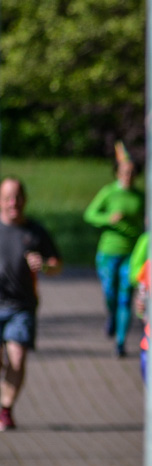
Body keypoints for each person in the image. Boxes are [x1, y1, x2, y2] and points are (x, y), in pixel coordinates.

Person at [0, 178, 62, 431]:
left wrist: (45, 265)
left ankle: (5, 410)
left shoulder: (35, 232)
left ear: (24, 200)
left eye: (17, 197)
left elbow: (57, 265)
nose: (13, 203)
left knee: (17, 359)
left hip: (21, 306)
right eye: (8, 198)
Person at [83, 142, 145, 357]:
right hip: (108, 253)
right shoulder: (108, 193)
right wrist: (108, 219)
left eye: (132, 172)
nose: (128, 176)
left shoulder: (140, 197)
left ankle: (120, 342)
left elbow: (148, 222)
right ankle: (111, 316)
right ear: (117, 173)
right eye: (125, 172)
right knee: (110, 293)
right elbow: (90, 215)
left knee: (125, 297)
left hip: (131, 253)